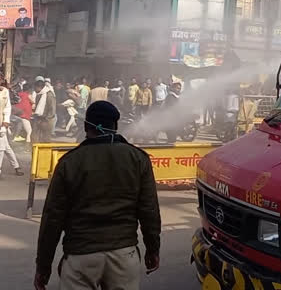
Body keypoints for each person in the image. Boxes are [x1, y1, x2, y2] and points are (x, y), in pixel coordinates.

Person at [34, 101, 161, 290]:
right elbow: (149, 210)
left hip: (80, 257)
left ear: (86, 126)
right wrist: (153, 249)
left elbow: (52, 218)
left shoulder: (69, 162)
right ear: (116, 126)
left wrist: (43, 266)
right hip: (124, 255)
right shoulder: (138, 158)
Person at [0, 77, 23, 178]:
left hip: (1, 124)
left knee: (1, 148)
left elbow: (7, 108)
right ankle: (16, 167)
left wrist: (5, 122)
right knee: (6, 147)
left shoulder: (5, 91)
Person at [31, 77, 56, 144]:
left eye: (35, 88)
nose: (34, 90)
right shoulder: (38, 94)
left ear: (39, 87)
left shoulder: (49, 95)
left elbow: (52, 110)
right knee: (34, 137)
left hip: (46, 120)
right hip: (38, 118)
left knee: (45, 139)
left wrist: (46, 119)